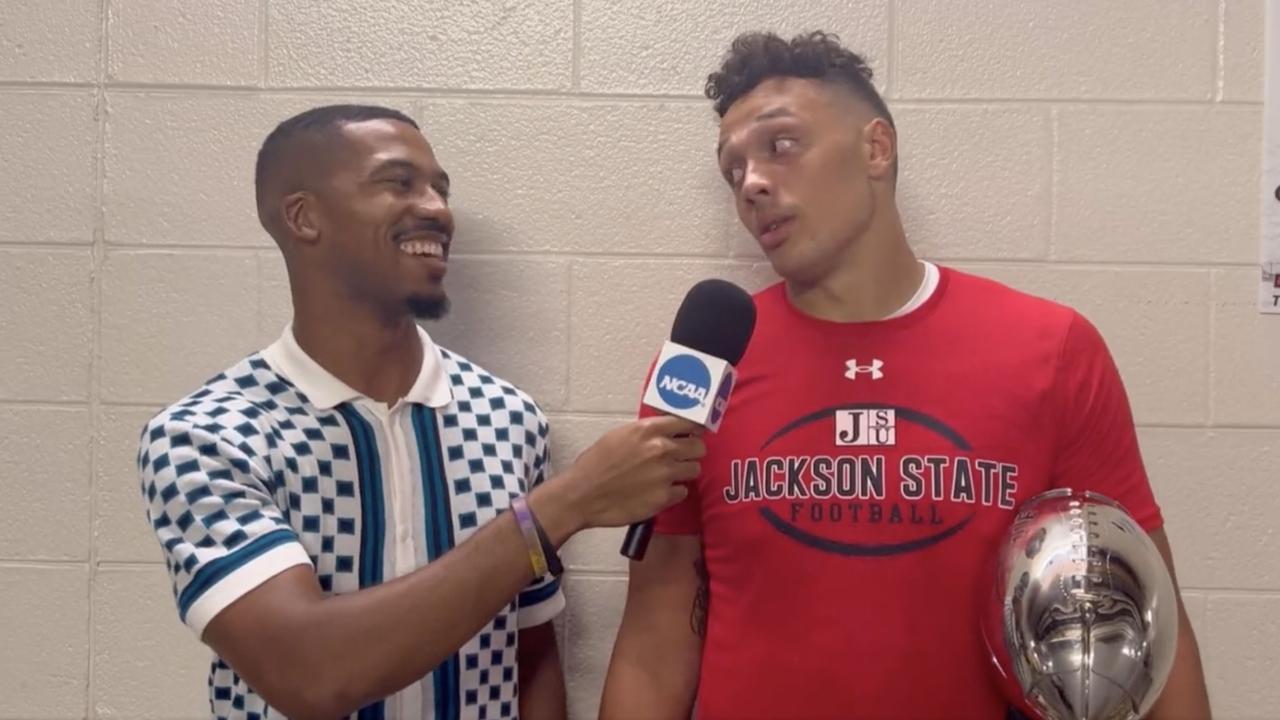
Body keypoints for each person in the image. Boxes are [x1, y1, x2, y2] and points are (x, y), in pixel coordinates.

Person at [600, 31, 1212, 719]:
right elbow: (654, 642)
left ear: (876, 148)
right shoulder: (700, 369)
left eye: (781, 144)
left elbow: (1148, 617)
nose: (752, 184)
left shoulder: (1052, 350)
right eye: (732, 169)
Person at [136, 104, 703, 720]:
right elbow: (309, 674)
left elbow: (530, 651)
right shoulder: (207, 437)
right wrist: (563, 505)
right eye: (398, 182)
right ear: (304, 217)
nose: (437, 209)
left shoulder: (508, 419)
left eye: (440, 189)